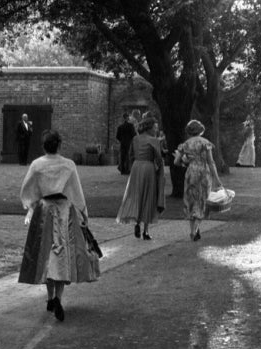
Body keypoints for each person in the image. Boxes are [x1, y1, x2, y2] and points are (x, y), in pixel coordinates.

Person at [19, 130, 99, 322]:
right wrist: (83, 213)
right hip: (64, 210)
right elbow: (76, 192)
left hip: (45, 210)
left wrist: (30, 206)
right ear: (59, 145)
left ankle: (49, 297)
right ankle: (58, 298)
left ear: (43, 145)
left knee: (46, 253)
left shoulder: (37, 165)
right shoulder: (68, 165)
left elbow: (28, 190)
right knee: (62, 253)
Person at [116, 114, 165, 240]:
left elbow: (130, 154)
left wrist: (135, 165)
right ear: (149, 128)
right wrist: (159, 168)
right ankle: (146, 231)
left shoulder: (135, 139)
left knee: (137, 195)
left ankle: (137, 222)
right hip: (148, 168)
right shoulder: (154, 141)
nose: (156, 130)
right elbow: (158, 159)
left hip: (136, 168)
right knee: (148, 196)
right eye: (155, 127)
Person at [174, 119, 222, 242]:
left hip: (191, 172)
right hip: (203, 172)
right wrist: (217, 179)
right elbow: (211, 162)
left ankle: (193, 230)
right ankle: (195, 230)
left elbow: (176, 162)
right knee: (202, 200)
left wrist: (186, 161)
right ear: (200, 130)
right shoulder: (205, 143)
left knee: (191, 200)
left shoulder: (185, 144)